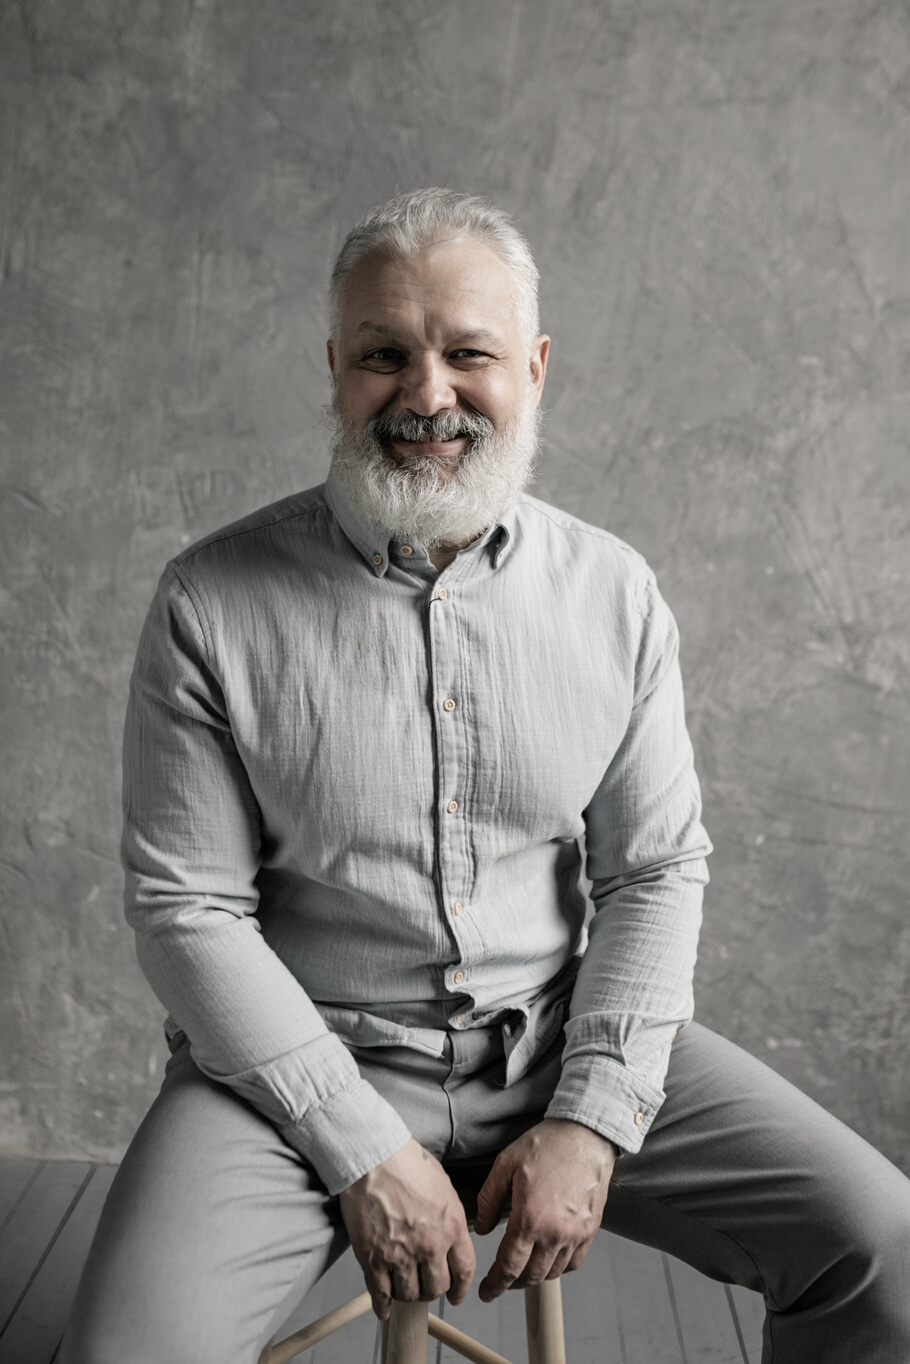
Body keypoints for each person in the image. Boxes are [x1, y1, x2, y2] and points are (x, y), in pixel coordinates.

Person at [61, 188, 910, 1364]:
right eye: (383, 355)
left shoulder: (614, 593)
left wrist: (594, 1118)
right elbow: (186, 908)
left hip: (559, 1037)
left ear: (536, 366)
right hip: (299, 1062)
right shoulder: (210, 600)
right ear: (333, 367)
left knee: (882, 1247)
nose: (425, 395)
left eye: (469, 353)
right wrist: (359, 1142)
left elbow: (656, 869)